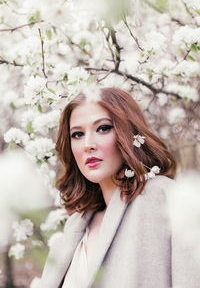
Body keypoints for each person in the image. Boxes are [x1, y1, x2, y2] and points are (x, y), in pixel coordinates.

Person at [38, 87, 197, 288]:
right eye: (77, 134)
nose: (88, 144)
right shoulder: (74, 226)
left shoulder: (164, 197)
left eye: (103, 128)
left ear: (128, 132)